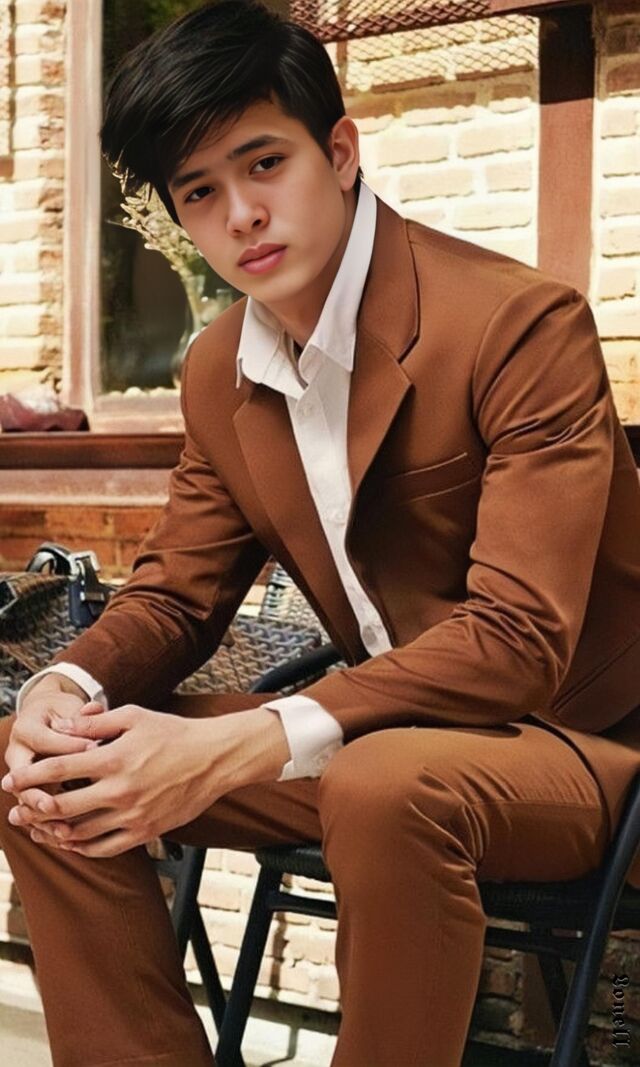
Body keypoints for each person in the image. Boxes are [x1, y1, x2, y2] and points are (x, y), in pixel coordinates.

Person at [1, 2, 639, 1065]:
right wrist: (64, 686)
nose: (242, 214)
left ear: (339, 153)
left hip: (582, 742)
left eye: (265, 164)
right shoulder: (219, 368)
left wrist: (247, 738)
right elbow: (179, 594)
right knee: (42, 768)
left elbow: (519, 638)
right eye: (200, 192)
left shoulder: (519, 325)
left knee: (383, 786)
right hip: (370, 733)